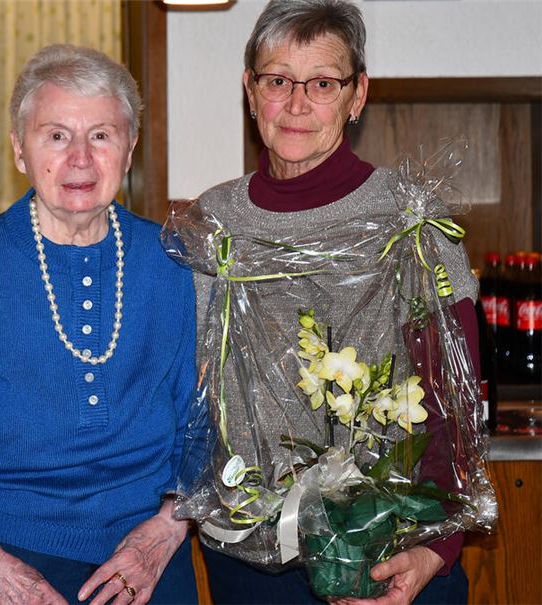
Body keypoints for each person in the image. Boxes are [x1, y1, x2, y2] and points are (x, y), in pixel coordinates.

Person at [182, 1, 477, 604]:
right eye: (277, 80)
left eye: (322, 83)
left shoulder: (409, 217)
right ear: (250, 89)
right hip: (252, 563)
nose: (296, 103)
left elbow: (456, 394)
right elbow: (177, 386)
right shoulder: (213, 223)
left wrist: (435, 548)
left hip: (387, 554)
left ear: (357, 94)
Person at [0, 44, 202, 605]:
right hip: (4, 560)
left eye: (102, 135)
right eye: (57, 135)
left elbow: (204, 420)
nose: (81, 160)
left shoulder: (170, 264)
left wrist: (170, 526)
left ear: (130, 148)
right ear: (20, 149)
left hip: (148, 556)